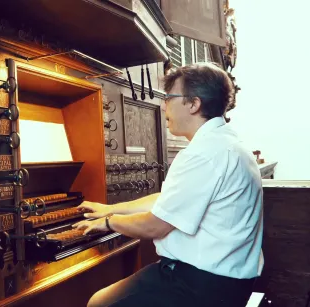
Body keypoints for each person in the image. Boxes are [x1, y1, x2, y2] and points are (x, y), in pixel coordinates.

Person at [73, 62, 264, 307]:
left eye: (169, 98)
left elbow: (156, 226)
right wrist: (112, 208)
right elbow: (166, 202)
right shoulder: (226, 143)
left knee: (98, 303)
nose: (164, 106)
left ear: (194, 104)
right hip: (229, 282)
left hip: (201, 286)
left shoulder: (203, 153)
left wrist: (108, 222)